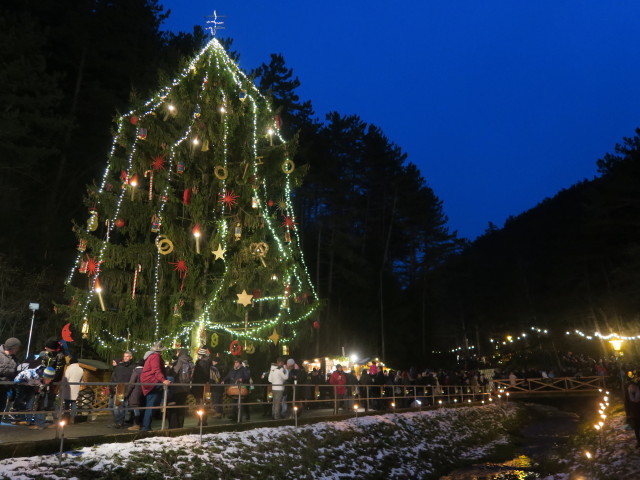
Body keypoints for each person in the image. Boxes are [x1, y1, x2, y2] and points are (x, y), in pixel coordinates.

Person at [140, 342, 171, 431]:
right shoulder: (155, 357)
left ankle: (146, 426)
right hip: (152, 382)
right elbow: (156, 370)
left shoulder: (151, 356)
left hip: (149, 382)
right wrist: (163, 380)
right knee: (151, 405)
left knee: (151, 404)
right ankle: (146, 427)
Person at [167, 348, 193, 429]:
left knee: (173, 407)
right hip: (186, 388)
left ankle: (173, 426)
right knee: (182, 407)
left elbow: (173, 373)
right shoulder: (191, 362)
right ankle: (180, 426)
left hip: (177, 388)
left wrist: (169, 369)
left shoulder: (179, 361)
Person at [110, 351, 135, 428]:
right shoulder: (119, 367)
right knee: (119, 405)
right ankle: (119, 421)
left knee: (123, 406)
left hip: (127, 389)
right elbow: (114, 378)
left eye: (127, 356)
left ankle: (120, 421)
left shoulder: (133, 367)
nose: (125, 357)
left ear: (131, 357)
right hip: (120, 389)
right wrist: (113, 387)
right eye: (124, 356)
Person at [0, 337, 21, 416]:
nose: (18, 350)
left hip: (4, 389)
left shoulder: (14, 359)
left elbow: (15, 372)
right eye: (17, 348)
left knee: (1, 408)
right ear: (13, 347)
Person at [60, 356, 84, 424]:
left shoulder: (69, 368)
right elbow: (81, 380)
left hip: (68, 388)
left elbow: (66, 378)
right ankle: (72, 418)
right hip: (76, 388)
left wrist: (62, 386)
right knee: (73, 403)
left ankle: (66, 417)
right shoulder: (81, 369)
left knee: (67, 404)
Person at [191, 348, 212, 425]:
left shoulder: (199, 363)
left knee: (199, 403)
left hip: (199, 387)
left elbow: (196, 376)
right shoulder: (210, 363)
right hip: (208, 387)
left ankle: (201, 420)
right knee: (206, 402)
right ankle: (204, 420)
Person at [125, 359, 145, 431]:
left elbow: (131, 384)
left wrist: (127, 393)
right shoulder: (145, 371)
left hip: (135, 392)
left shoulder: (136, 371)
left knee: (135, 408)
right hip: (143, 392)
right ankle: (141, 423)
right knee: (141, 408)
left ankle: (136, 424)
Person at [627, 371, 640, 448]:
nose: (632, 388)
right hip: (634, 412)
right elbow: (627, 402)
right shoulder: (628, 391)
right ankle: (638, 441)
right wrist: (628, 413)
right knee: (636, 427)